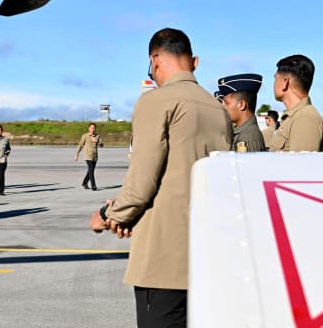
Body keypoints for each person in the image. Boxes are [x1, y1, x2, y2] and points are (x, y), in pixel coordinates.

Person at [90, 27, 232, 328]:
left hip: (164, 255)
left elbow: (142, 182)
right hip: (206, 251)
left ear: (155, 60)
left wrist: (109, 215)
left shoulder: (157, 101)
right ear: (193, 61)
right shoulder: (217, 109)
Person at [268, 54, 323, 152]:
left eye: (275, 78)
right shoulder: (295, 117)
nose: (273, 83)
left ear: (285, 82)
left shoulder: (305, 118)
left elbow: (301, 166)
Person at [217, 73, 267, 153]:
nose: (222, 106)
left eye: (226, 103)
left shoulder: (248, 137)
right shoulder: (243, 132)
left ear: (241, 105)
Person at [75, 122, 103, 190]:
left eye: (94, 128)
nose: (92, 129)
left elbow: (102, 145)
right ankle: (93, 185)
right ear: (89, 128)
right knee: (91, 170)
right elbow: (80, 145)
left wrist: (96, 141)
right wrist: (77, 154)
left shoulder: (98, 136)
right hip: (87, 155)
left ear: (95, 129)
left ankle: (84, 182)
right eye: (91, 128)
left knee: (91, 171)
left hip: (95, 156)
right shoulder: (85, 136)